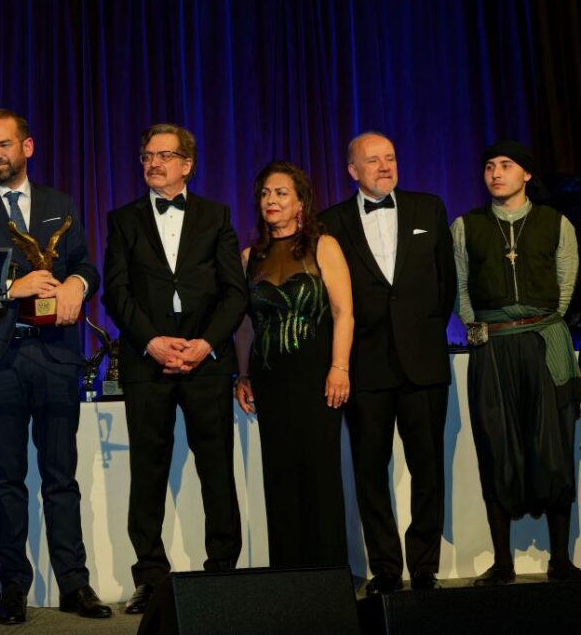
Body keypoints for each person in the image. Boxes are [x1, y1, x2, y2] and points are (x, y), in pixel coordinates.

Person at [0, 110, 109, 624]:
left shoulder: (60, 203)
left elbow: (85, 264)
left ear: (27, 147)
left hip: (56, 354)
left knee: (62, 476)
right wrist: (12, 288)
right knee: (7, 476)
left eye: (4, 145)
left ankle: (74, 584)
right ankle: (12, 585)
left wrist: (79, 284)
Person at [102, 123, 247, 614]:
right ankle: (150, 577)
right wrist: (152, 342)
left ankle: (222, 571)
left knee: (216, 469)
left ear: (188, 164)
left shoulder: (216, 215)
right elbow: (116, 293)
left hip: (207, 361)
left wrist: (206, 344)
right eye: (147, 155)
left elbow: (235, 292)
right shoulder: (123, 219)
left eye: (164, 155)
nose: (153, 163)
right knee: (148, 471)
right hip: (148, 362)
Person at [319, 132, 455, 593]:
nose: (384, 166)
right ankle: (386, 569)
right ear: (352, 170)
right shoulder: (330, 222)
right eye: (373, 160)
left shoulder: (429, 208)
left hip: (423, 363)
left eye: (391, 158)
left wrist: (422, 334)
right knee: (370, 472)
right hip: (364, 365)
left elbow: (445, 284)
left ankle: (424, 566)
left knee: (428, 469)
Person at [451, 140, 581, 585]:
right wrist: (477, 326)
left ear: (526, 174)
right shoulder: (466, 226)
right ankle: (503, 561)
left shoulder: (555, 223)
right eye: (489, 166)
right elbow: (460, 285)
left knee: (555, 447)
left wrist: (541, 320)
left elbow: (566, 280)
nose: (495, 172)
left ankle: (560, 558)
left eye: (506, 165)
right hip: (494, 346)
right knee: (496, 446)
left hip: (544, 343)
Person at [234, 162, 353, 568]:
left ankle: (328, 576)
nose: (271, 200)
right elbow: (245, 325)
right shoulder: (249, 257)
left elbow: (343, 312)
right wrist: (243, 375)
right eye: (265, 193)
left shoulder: (324, 246)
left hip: (317, 377)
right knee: (280, 476)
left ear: (301, 202)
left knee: (320, 474)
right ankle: (288, 579)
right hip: (270, 380)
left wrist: (340, 367)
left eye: (281, 193)